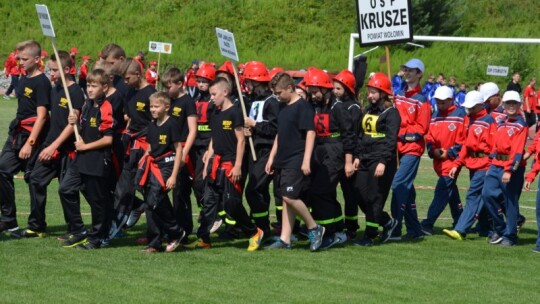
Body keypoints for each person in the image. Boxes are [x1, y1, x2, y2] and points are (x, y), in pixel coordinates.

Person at [11, 51, 85, 238]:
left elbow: (71, 125)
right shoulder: (54, 89)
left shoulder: (75, 92)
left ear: (67, 69)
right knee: (35, 179)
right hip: (50, 146)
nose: (51, 74)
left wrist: (54, 145)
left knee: (67, 190)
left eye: (54, 70)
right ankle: (37, 226)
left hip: (66, 149)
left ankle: (74, 229)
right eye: (49, 69)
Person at [188, 77, 264, 251]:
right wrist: (209, 154)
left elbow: (241, 140)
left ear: (225, 92)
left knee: (232, 203)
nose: (211, 98)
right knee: (209, 201)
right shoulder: (214, 112)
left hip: (231, 162)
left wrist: (238, 165)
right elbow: (215, 137)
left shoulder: (235, 112)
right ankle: (204, 238)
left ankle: (254, 232)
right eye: (210, 94)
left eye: (214, 94)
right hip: (216, 162)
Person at [265, 72, 325, 251]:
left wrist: (306, 160)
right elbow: (279, 134)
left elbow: (310, 133)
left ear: (290, 88)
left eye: (279, 92)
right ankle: (285, 239)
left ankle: (314, 228)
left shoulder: (303, 107)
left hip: (296, 158)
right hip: (282, 159)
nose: (277, 96)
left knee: (289, 196)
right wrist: (271, 157)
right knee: (286, 199)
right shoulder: (282, 107)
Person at [0, 40, 51, 233]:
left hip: (33, 136)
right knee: (2, 169)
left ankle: (37, 225)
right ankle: (8, 220)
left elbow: (42, 116)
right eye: (19, 58)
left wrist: (30, 143)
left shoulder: (42, 82)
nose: (20, 62)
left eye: (24, 59)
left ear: (37, 59)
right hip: (17, 133)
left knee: (34, 179)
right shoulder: (22, 78)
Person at [60, 68, 114, 249]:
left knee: (97, 201)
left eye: (94, 86)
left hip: (97, 160)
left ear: (104, 87)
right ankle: (79, 230)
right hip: (82, 158)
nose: (89, 89)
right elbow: (83, 130)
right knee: (65, 189)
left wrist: (85, 146)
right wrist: (75, 121)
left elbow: (108, 139)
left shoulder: (106, 108)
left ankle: (96, 238)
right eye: (88, 85)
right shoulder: (87, 105)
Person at [304, 67, 354, 249]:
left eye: (315, 91)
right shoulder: (314, 106)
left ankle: (329, 233)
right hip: (319, 150)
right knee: (322, 193)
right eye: (310, 92)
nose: (313, 95)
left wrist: (348, 162)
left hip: (335, 151)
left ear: (325, 89)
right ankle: (337, 228)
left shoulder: (338, 108)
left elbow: (349, 135)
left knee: (320, 191)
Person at [109, 58, 156, 239]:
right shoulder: (129, 91)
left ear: (138, 74)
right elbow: (129, 116)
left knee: (149, 190)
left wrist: (150, 149)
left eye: (127, 78)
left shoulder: (151, 94)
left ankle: (158, 232)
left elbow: (156, 123)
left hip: (147, 148)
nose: (125, 82)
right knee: (124, 187)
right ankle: (115, 226)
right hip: (132, 146)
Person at [352, 72, 400, 246]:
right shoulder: (368, 110)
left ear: (383, 93)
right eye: (369, 92)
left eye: (373, 92)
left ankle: (371, 235)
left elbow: (391, 140)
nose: (370, 95)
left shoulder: (391, 113)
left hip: (380, 161)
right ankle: (387, 222)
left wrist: (382, 162)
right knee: (359, 194)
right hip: (364, 158)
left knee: (374, 198)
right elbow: (361, 135)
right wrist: (357, 156)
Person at [442, 91, 498, 240]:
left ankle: (460, 229)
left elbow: (494, 147)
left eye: (472, 107)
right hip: (473, 164)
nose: (469, 110)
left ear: (480, 105)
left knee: (473, 195)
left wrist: (490, 167)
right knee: (483, 197)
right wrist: (457, 163)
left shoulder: (489, 122)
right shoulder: (470, 120)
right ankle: (487, 229)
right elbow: (466, 146)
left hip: (484, 165)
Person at [135, 92, 186, 252]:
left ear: (166, 107)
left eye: (156, 106)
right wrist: (143, 161)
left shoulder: (172, 124)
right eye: (151, 106)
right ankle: (155, 242)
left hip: (167, 166)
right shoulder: (152, 124)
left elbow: (179, 150)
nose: (153, 109)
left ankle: (176, 231)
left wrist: (173, 175)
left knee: (154, 199)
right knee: (151, 204)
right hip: (153, 165)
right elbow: (150, 148)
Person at [390, 58, 431, 240]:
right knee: (407, 190)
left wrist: (400, 133)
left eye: (411, 70)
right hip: (397, 148)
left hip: (412, 148)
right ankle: (414, 229)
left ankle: (395, 228)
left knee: (398, 184)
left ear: (419, 74)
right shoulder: (398, 94)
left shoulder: (422, 100)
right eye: (405, 69)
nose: (407, 73)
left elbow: (421, 129)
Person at [482, 90, 527, 247]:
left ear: (519, 105)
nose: (511, 106)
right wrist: (490, 164)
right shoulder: (501, 123)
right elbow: (495, 146)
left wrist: (509, 170)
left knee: (510, 202)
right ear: (503, 104)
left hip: (510, 167)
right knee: (487, 194)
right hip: (495, 165)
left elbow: (518, 150)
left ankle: (510, 235)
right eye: (508, 103)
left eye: (514, 103)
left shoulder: (521, 125)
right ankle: (501, 228)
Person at [420, 86, 466, 235]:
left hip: (452, 162)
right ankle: (460, 220)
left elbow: (463, 141)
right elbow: (430, 138)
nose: (439, 105)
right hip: (438, 161)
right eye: (438, 102)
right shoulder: (435, 116)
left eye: (442, 102)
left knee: (442, 191)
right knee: (451, 192)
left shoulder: (460, 115)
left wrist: (448, 153)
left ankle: (428, 223)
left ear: (450, 100)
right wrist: (432, 150)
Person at [242, 61, 279, 238]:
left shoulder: (272, 102)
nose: (247, 85)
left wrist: (255, 125)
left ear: (256, 81)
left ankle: (261, 227)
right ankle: (263, 228)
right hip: (253, 149)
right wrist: (248, 129)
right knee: (260, 192)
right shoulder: (253, 100)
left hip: (267, 150)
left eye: (249, 81)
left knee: (253, 190)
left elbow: (274, 129)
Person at [160, 67, 198, 238]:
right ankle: (169, 228)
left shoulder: (187, 102)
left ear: (180, 84)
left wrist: (184, 154)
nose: (166, 90)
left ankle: (184, 229)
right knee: (161, 190)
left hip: (182, 150)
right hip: (167, 150)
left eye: (169, 87)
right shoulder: (168, 101)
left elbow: (192, 130)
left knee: (180, 192)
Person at [333, 69, 362, 240]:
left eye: (339, 89)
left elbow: (355, 135)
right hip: (337, 154)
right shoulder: (336, 105)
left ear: (348, 89)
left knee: (350, 193)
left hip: (349, 156)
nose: (335, 92)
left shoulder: (354, 108)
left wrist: (354, 158)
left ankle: (351, 227)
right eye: (334, 88)